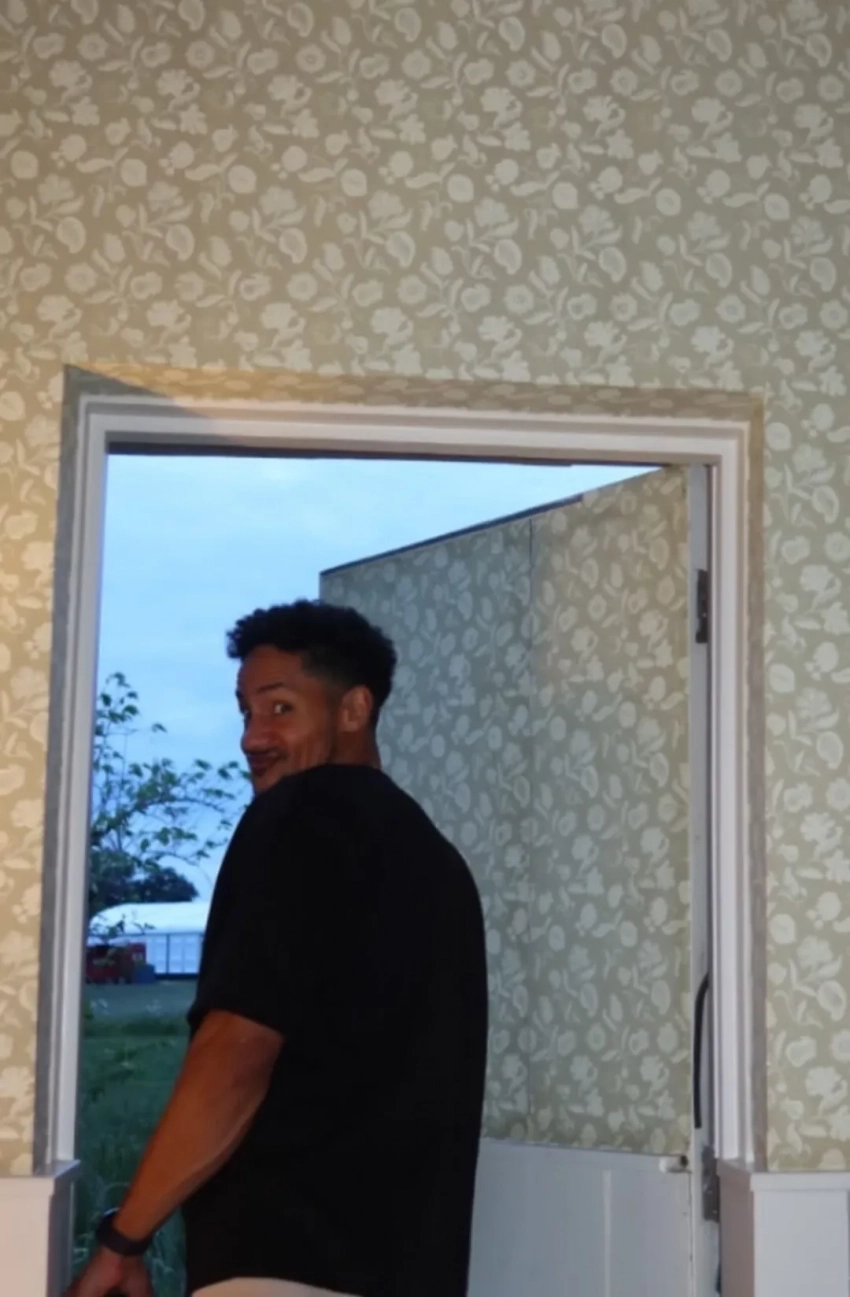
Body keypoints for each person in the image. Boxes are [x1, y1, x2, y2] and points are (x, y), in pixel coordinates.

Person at [67, 599, 489, 1297]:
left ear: (354, 708)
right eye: (245, 712)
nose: (252, 737)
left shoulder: (298, 817)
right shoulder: (436, 861)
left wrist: (124, 1239)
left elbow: (236, 1050)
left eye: (280, 708)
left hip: (282, 1265)